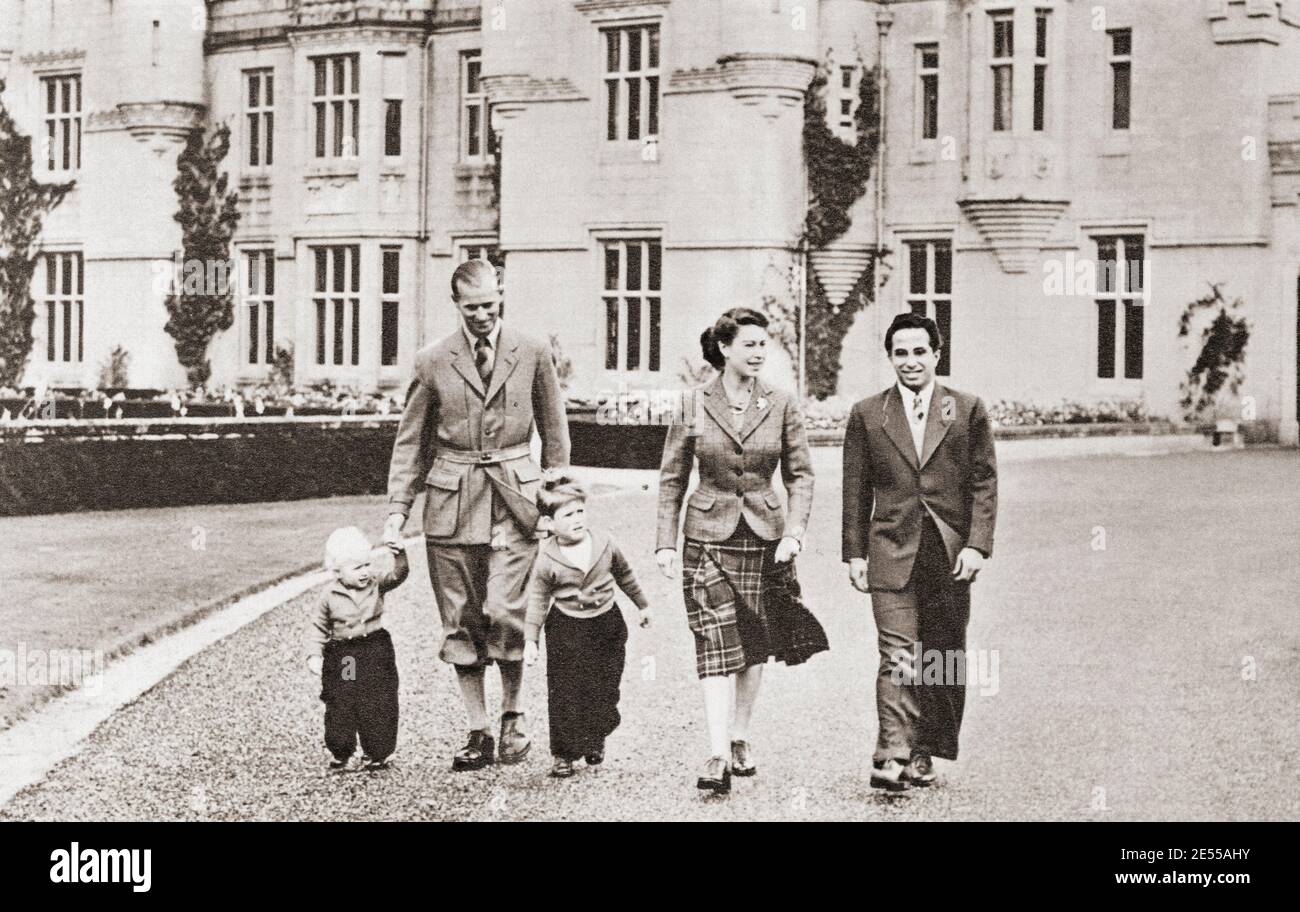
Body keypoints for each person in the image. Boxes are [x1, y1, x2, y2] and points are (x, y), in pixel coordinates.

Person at [384, 259, 570, 771]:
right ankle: (478, 730)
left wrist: (556, 498)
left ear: (502, 296)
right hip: (450, 503)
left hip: (516, 500)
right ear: (457, 305)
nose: (484, 315)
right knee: (460, 620)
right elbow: (410, 445)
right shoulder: (432, 361)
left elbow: (555, 436)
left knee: (506, 610)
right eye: (473, 308)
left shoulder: (532, 352)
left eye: (491, 304)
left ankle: (513, 714)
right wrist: (397, 513)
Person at [656, 307, 821, 795]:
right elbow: (671, 476)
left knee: (753, 643)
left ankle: (740, 734)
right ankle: (715, 752)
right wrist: (665, 542)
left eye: (762, 345)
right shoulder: (692, 402)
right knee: (712, 641)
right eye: (749, 344)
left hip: (764, 537)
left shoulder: (782, 402)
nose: (758, 352)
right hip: (705, 533)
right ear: (724, 348)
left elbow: (801, 474)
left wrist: (794, 531)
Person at [841, 312, 998, 790]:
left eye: (919, 351)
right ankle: (891, 753)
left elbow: (984, 482)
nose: (910, 361)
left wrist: (977, 546)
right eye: (900, 353)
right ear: (890, 357)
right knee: (897, 654)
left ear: (936, 354)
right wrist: (854, 553)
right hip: (890, 548)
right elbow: (855, 487)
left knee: (940, 654)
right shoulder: (869, 413)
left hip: (948, 553)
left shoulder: (967, 409)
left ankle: (924, 749)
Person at [523, 471, 653, 779]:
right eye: (568, 514)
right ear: (550, 524)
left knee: (604, 685)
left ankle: (596, 735)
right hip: (567, 629)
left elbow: (626, 575)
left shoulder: (605, 542)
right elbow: (538, 600)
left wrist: (643, 605)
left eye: (580, 510)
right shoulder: (547, 558)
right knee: (565, 690)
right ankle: (563, 753)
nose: (577, 518)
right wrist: (531, 640)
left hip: (607, 624)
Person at [309, 527, 410, 772]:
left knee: (379, 698)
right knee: (343, 698)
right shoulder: (329, 595)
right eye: (356, 568)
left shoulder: (377, 584)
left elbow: (399, 574)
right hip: (346, 656)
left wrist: (400, 554)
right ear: (337, 570)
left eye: (367, 564)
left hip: (375, 649)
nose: (365, 572)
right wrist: (314, 654)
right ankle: (341, 749)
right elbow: (318, 627)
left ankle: (378, 751)